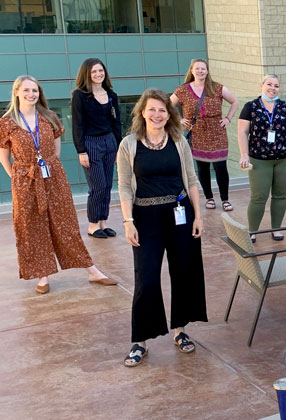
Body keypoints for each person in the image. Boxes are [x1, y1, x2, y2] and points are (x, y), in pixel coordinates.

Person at [0, 75, 117, 294]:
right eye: (26, 90)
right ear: (16, 92)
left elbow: (56, 152)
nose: (31, 94)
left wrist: (48, 169)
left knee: (66, 223)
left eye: (34, 90)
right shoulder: (6, 123)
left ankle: (92, 270)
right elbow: (4, 158)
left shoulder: (50, 117)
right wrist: (18, 178)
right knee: (32, 226)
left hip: (53, 177)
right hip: (25, 180)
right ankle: (42, 276)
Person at [117, 88, 208, 367]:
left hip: (179, 212)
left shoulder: (178, 141)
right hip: (144, 217)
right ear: (142, 112)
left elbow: (191, 179)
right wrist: (128, 221)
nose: (157, 114)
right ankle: (140, 340)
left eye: (162, 110)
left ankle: (180, 330)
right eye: (152, 109)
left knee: (183, 272)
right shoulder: (128, 144)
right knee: (146, 277)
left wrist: (198, 216)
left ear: (169, 114)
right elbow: (123, 186)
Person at [237, 74, 286, 242]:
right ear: (261, 85)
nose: (272, 88)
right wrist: (244, 154)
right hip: (259, 159)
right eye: (269, 84)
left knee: (280, 195)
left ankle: (276, 229)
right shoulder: (250, 106)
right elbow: (242, 132)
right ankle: (253, 231)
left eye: (276, 85)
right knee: (258, 196)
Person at [170, 58, 238, 211]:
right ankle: (209, 198)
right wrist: (180, 119)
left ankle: (225, 199)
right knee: (203, 168)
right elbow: (168, 105)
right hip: (197, 132)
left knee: (221, 166)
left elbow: (234, 101)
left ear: (207, 71)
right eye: (197, 68)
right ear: (192, 71)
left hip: (217, 132)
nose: (200, 71)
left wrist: (228, 118)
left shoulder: (217, 88)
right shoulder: (183, 90)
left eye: (203, 68)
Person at [71, 58, 123, 238]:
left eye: (101, 70)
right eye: (94, 71)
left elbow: (117, 123)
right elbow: (77, 125)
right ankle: (93, 225)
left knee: (107, 185)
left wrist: (118, 147)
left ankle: (103, 222)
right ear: (87, 74)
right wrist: (81, 151)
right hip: (90, 144)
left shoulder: (111, 95)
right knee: (98, 186)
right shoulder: (80, 95)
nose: (98, 74)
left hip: (109, 142)